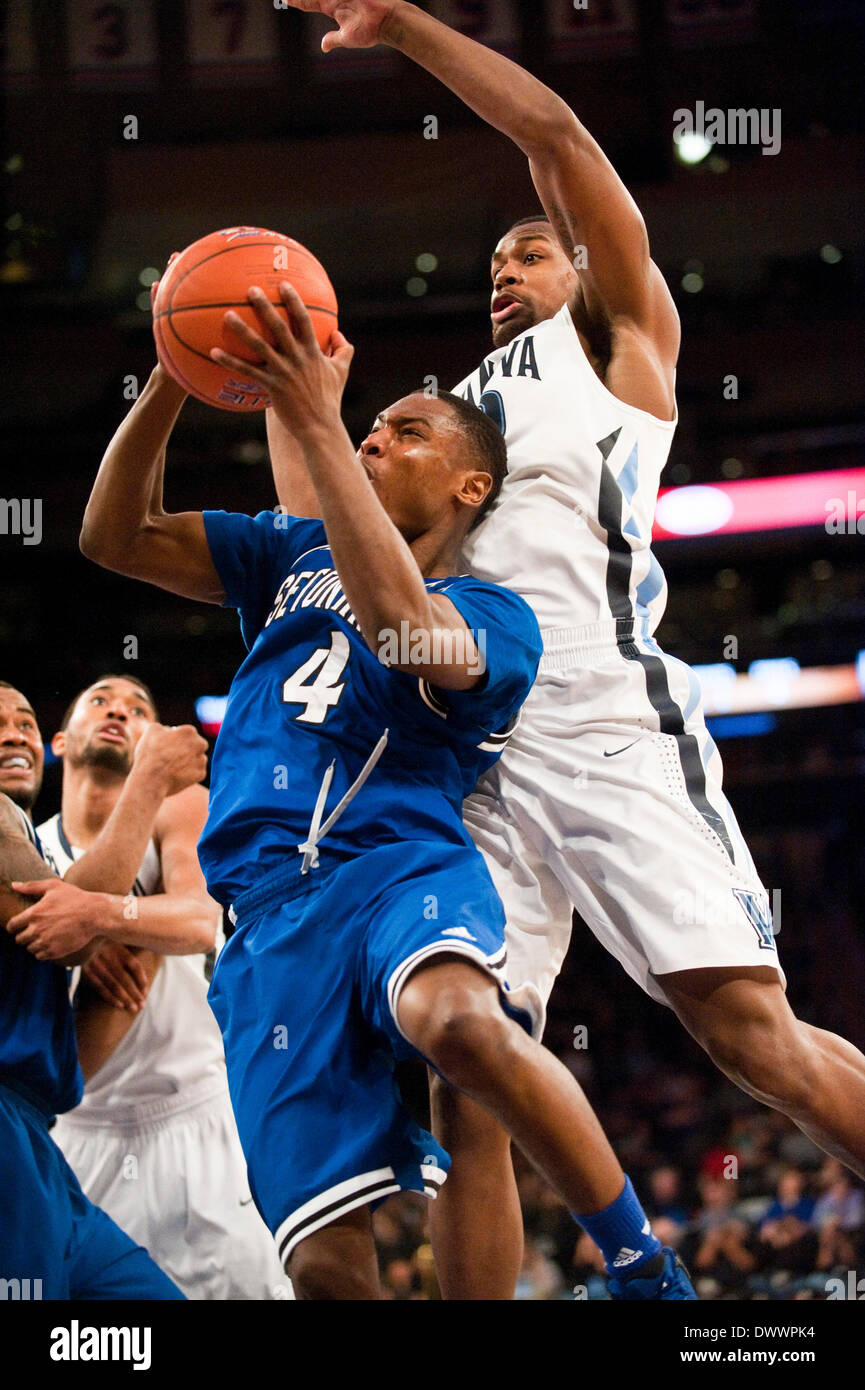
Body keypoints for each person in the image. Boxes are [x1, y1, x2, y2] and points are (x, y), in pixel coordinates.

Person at [275, 0, 865, 1298]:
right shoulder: (448, 418)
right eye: (492, 259)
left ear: (590, 271)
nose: (506, 267)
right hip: (467, 752)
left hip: (606, 722)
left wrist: (406, 26)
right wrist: (282, 383)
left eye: (529, 250)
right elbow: (320, 531)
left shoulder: (615, 347)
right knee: (472, 1075)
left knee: (749, 1035)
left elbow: (548, 130)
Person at [78, 281, 695, 1300]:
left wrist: (315, 422)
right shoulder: (287, 553)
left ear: (467, 490)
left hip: (392, 867)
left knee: (453, 1021)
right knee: (324, 1265)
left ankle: (638, 1262)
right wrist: (172, 376)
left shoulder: (496, 614)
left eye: (404, 433)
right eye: (367, 426)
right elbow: (114, 535)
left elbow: (396, 623)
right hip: (265, 921)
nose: (372, 438)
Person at [31, 674, 288, 1300]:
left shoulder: (177, 807)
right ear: (60, 742)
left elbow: (200, 920)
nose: (120, 709)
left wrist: (91, 921)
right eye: (99, 700)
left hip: (192, 1115)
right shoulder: (28, 851)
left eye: (139, 707)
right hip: (73, 1136)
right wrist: (78, 953)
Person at [0, 681, 184, 1299]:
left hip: (42, 1134)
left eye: (25, 719)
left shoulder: (30, 844)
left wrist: (110, 935)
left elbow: (201, 918)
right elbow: (69, 928)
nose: (15, 732)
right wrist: (150, 780)